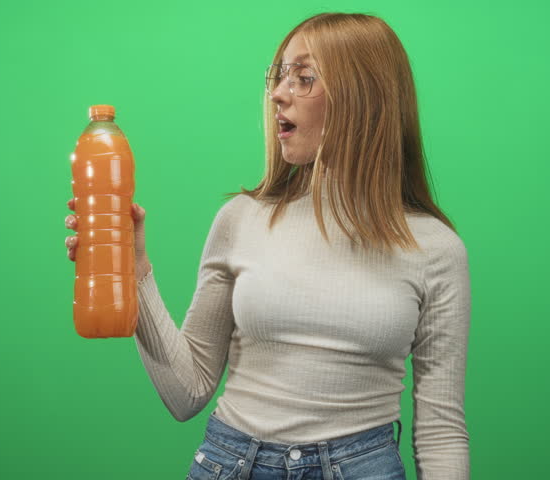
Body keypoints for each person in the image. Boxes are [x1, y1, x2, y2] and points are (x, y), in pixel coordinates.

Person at [64, 12, 471, 480]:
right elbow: (187, 392)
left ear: (363, 96)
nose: (277, 94)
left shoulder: (436, 249)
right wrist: (132, 268)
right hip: (231, 464)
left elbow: (440, 431)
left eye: (303, 78)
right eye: (278, 77)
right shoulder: (242, 219)